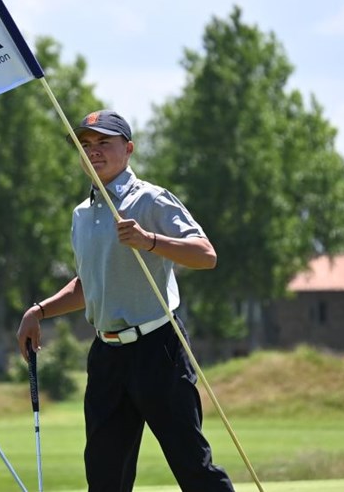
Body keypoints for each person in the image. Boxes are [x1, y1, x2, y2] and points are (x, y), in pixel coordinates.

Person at [16, 110, 235, 492]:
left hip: (159, 349)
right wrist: (39, 311)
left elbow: (205, 254)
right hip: (106, 357)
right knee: (104, 479)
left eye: (104, 143)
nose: (93, 152)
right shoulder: (82, 214)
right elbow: (90, 284)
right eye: (85, 145)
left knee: (193, 468)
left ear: (128, 149)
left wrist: (149, 240)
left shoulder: (151, 200)